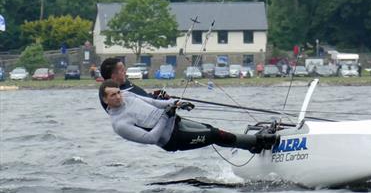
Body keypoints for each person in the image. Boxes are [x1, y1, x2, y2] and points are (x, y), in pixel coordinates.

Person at [99, 80, 278, 153]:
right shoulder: (120, 124)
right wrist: (165, 116)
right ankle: (258, 141)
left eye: (118, 92)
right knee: (214, 136)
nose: (118, 96)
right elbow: (152, 138)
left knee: (211, 130)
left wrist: (176, 103)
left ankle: (251, 145)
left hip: (175, 122)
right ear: (105, 100)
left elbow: (154, 103)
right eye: (112, 95)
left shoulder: (128, 96)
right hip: (172, 139)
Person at [99, 57, 168, 111]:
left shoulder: (124, 82)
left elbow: (143, 95)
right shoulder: (118, 95)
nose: (125, 72)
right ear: (113, 76)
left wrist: (158, 94)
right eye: (122, 70)